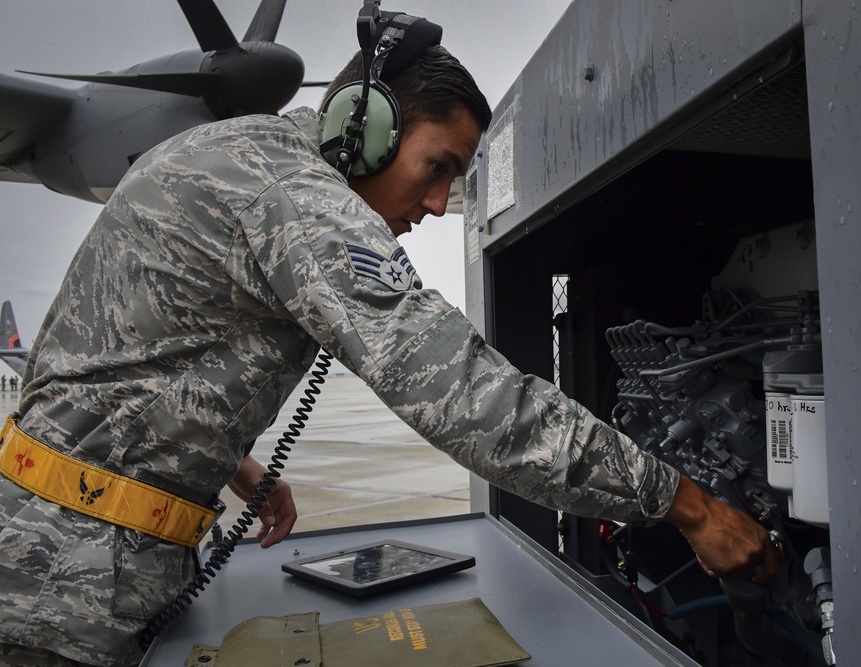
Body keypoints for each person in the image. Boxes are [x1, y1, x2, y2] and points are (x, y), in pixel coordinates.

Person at [0, 9, 779, 667]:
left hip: (66, 562)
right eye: (437, 167)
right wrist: (690, 506)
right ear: (361, 132)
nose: (440, 205)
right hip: (61, 590)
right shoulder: (290, 190)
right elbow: (467, 397)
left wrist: (228, 457)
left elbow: (122, 343)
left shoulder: (238, 160)